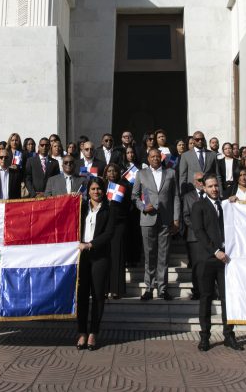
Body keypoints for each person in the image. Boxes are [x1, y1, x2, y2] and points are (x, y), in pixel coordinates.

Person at [190, 173, 241, 351]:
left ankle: (229, 335)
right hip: (207, 260)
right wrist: (215, 250)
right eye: (210, 186)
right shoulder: (199, 206)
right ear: (204, 188)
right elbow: (199, 232)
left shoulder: (226, 205)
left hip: (225, 261)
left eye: (216, 186)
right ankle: (205, 337)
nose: (214, 189)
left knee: (228, 299)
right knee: (206, 298)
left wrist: (232, 201)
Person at [133, 148, 181, 300]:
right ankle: (149, 288)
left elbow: (175, 196)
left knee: (164, 255)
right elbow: (134, 196)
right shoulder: (141, 174)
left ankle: (162, 289)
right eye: (152, 156)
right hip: (148, 219)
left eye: (157, 156)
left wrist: (176, 218)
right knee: (149, 255)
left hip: (166, 220)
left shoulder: (171, 173)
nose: (155, 158)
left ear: (161, 157)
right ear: (148, 159)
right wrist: (142, 207)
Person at [76, 178, 116, 351]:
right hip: (82, 257)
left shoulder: (109, 209)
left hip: (99, 256)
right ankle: (82, 332)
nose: (96, 191)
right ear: (88, 190)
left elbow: (109, 233)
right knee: (82, 296)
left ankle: (93, 333)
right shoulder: (81, 207)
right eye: (92, 188)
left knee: (98, 295)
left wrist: (90, 244)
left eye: (99, 188)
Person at [104, 163, 130, 299]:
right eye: (109, 171)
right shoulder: (101, 186)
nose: (112, 173)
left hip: (118, 225)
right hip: (103, 226)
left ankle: (117, 289)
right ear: (105, 173)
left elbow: (126, 207)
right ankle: (105, 288)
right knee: (104, 258)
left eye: (114, 171)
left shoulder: (123, 186)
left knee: (117, 257)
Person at [181, 171, 206, 300]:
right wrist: (197, 229)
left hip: (209, 236)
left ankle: (209, 291)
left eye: (203, 180)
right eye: (199, 180)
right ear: (195, 182)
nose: (202, 182)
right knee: (196, 265)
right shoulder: (188, 197)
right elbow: (185, 216)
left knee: (208, 265)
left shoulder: (210, 194)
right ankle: (197, 291)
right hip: (194, 236)